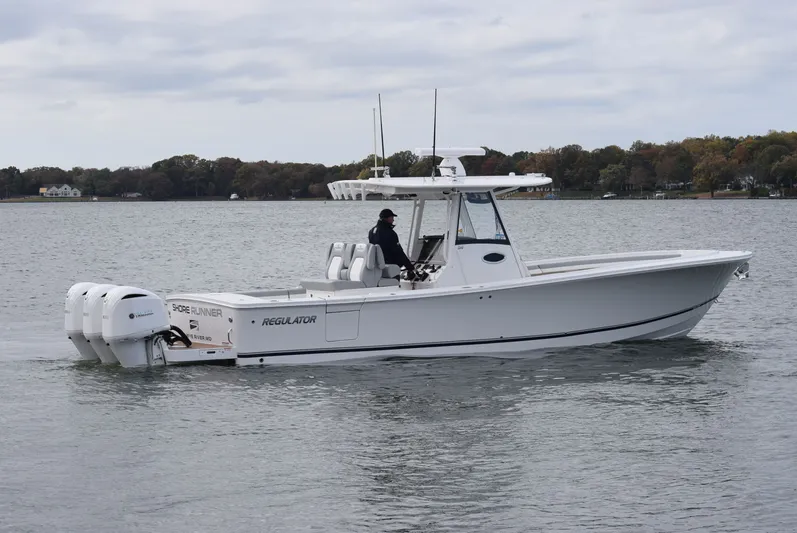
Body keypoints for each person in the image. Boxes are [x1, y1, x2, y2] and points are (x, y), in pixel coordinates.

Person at [368, 208, 416, 278]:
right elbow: (399, 251)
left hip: (377, 265)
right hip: (390, 264)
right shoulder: (390, 233)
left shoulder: (372, 231)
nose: (393, 220)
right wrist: (409, 267)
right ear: (386, 218)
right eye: (392, 217)